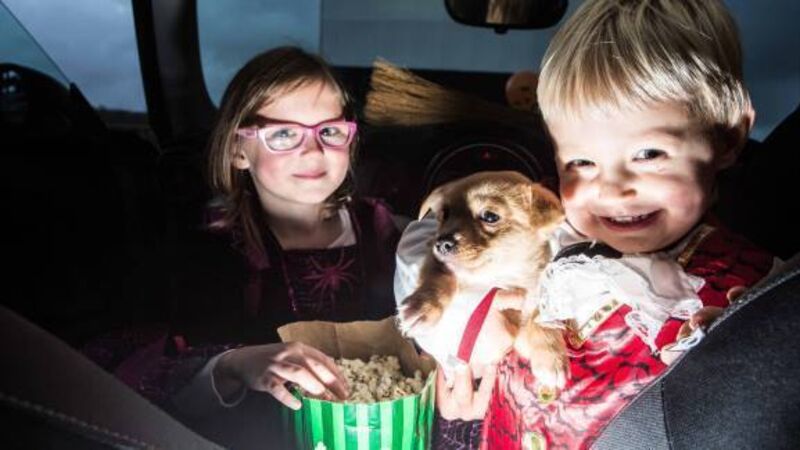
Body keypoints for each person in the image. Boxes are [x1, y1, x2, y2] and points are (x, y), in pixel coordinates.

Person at [394, 1, 778, 448]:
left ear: (727, 138)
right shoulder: (557, 238)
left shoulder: (752, 296)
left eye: (648, 154)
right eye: (581, 162)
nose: (611, 190)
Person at [84, 47, 404, 446]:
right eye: (283, 134)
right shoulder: (216, 247)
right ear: (238, 150)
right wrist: (237, 363)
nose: (313, 150)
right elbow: (179, 373)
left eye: (330, 131)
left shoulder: (378, 227)